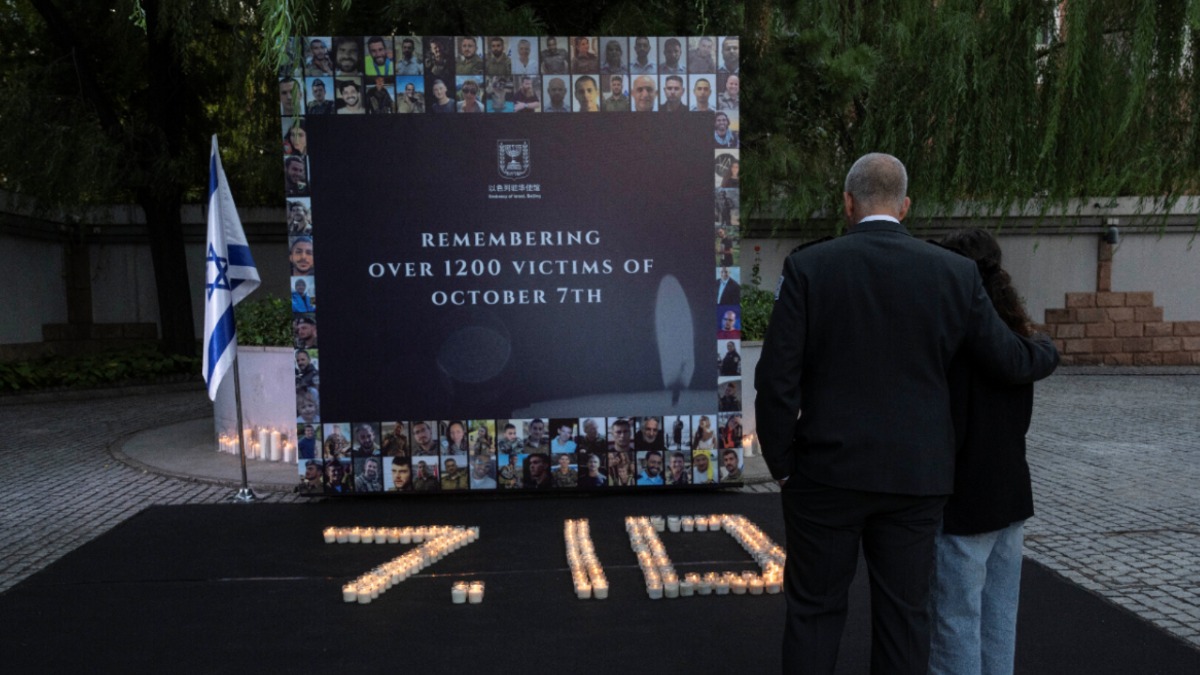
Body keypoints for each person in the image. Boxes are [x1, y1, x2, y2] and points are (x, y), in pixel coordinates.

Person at [754, 153, 1060, 673]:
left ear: (847, 203)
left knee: (814, 613)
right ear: (905, 206)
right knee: (904, 619)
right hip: (915, 478)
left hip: (825, 474)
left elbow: (776, 378)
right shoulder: (955, 273)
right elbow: (1006, 359)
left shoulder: (809, 267)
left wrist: (782, 463)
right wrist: (1047, 349)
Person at [928, 228, 1040, 675]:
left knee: (955, 622)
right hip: (1011, 493)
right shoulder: (1019, 340)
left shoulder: (955, 341)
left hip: (964, 502)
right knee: (999, 619)